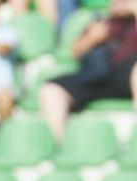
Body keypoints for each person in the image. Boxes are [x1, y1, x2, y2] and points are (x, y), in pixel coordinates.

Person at [39, 0, 137, 141]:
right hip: (96, 76)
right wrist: (91, 38)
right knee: (51, 88)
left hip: (127, 78)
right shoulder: (100, 21)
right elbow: (74, 52)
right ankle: (57, 146)